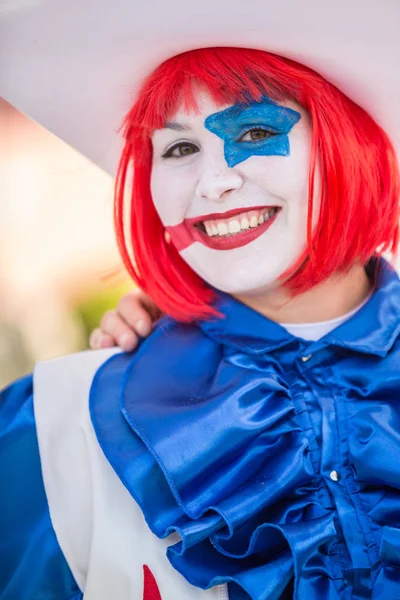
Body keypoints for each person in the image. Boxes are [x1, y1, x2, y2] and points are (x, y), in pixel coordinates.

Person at [1, 3, 400, 600]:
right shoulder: (56, 421)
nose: (213, 183)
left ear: (352, 147)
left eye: (257, 132)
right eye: (179, 150)